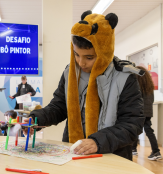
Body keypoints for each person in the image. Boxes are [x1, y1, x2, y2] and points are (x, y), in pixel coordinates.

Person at [23, 10, 145, 160]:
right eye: (76, 54)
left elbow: (132, 124)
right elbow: (59, 106)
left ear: (104, 52)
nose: (81, 63)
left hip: (112, 157)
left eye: (89, 57)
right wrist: (37, 119)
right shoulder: (70, 72)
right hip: (74, 153)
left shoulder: (125, 78)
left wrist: (97, 141)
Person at [132, 66, 162, 160]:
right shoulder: (149, 86)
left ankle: (133, 149)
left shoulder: (137, 85)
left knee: (135, 130)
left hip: (139, 111)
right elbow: (151, 100)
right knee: (149, 131)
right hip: (148, 111)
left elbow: (136, 100)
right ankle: (156, 151)